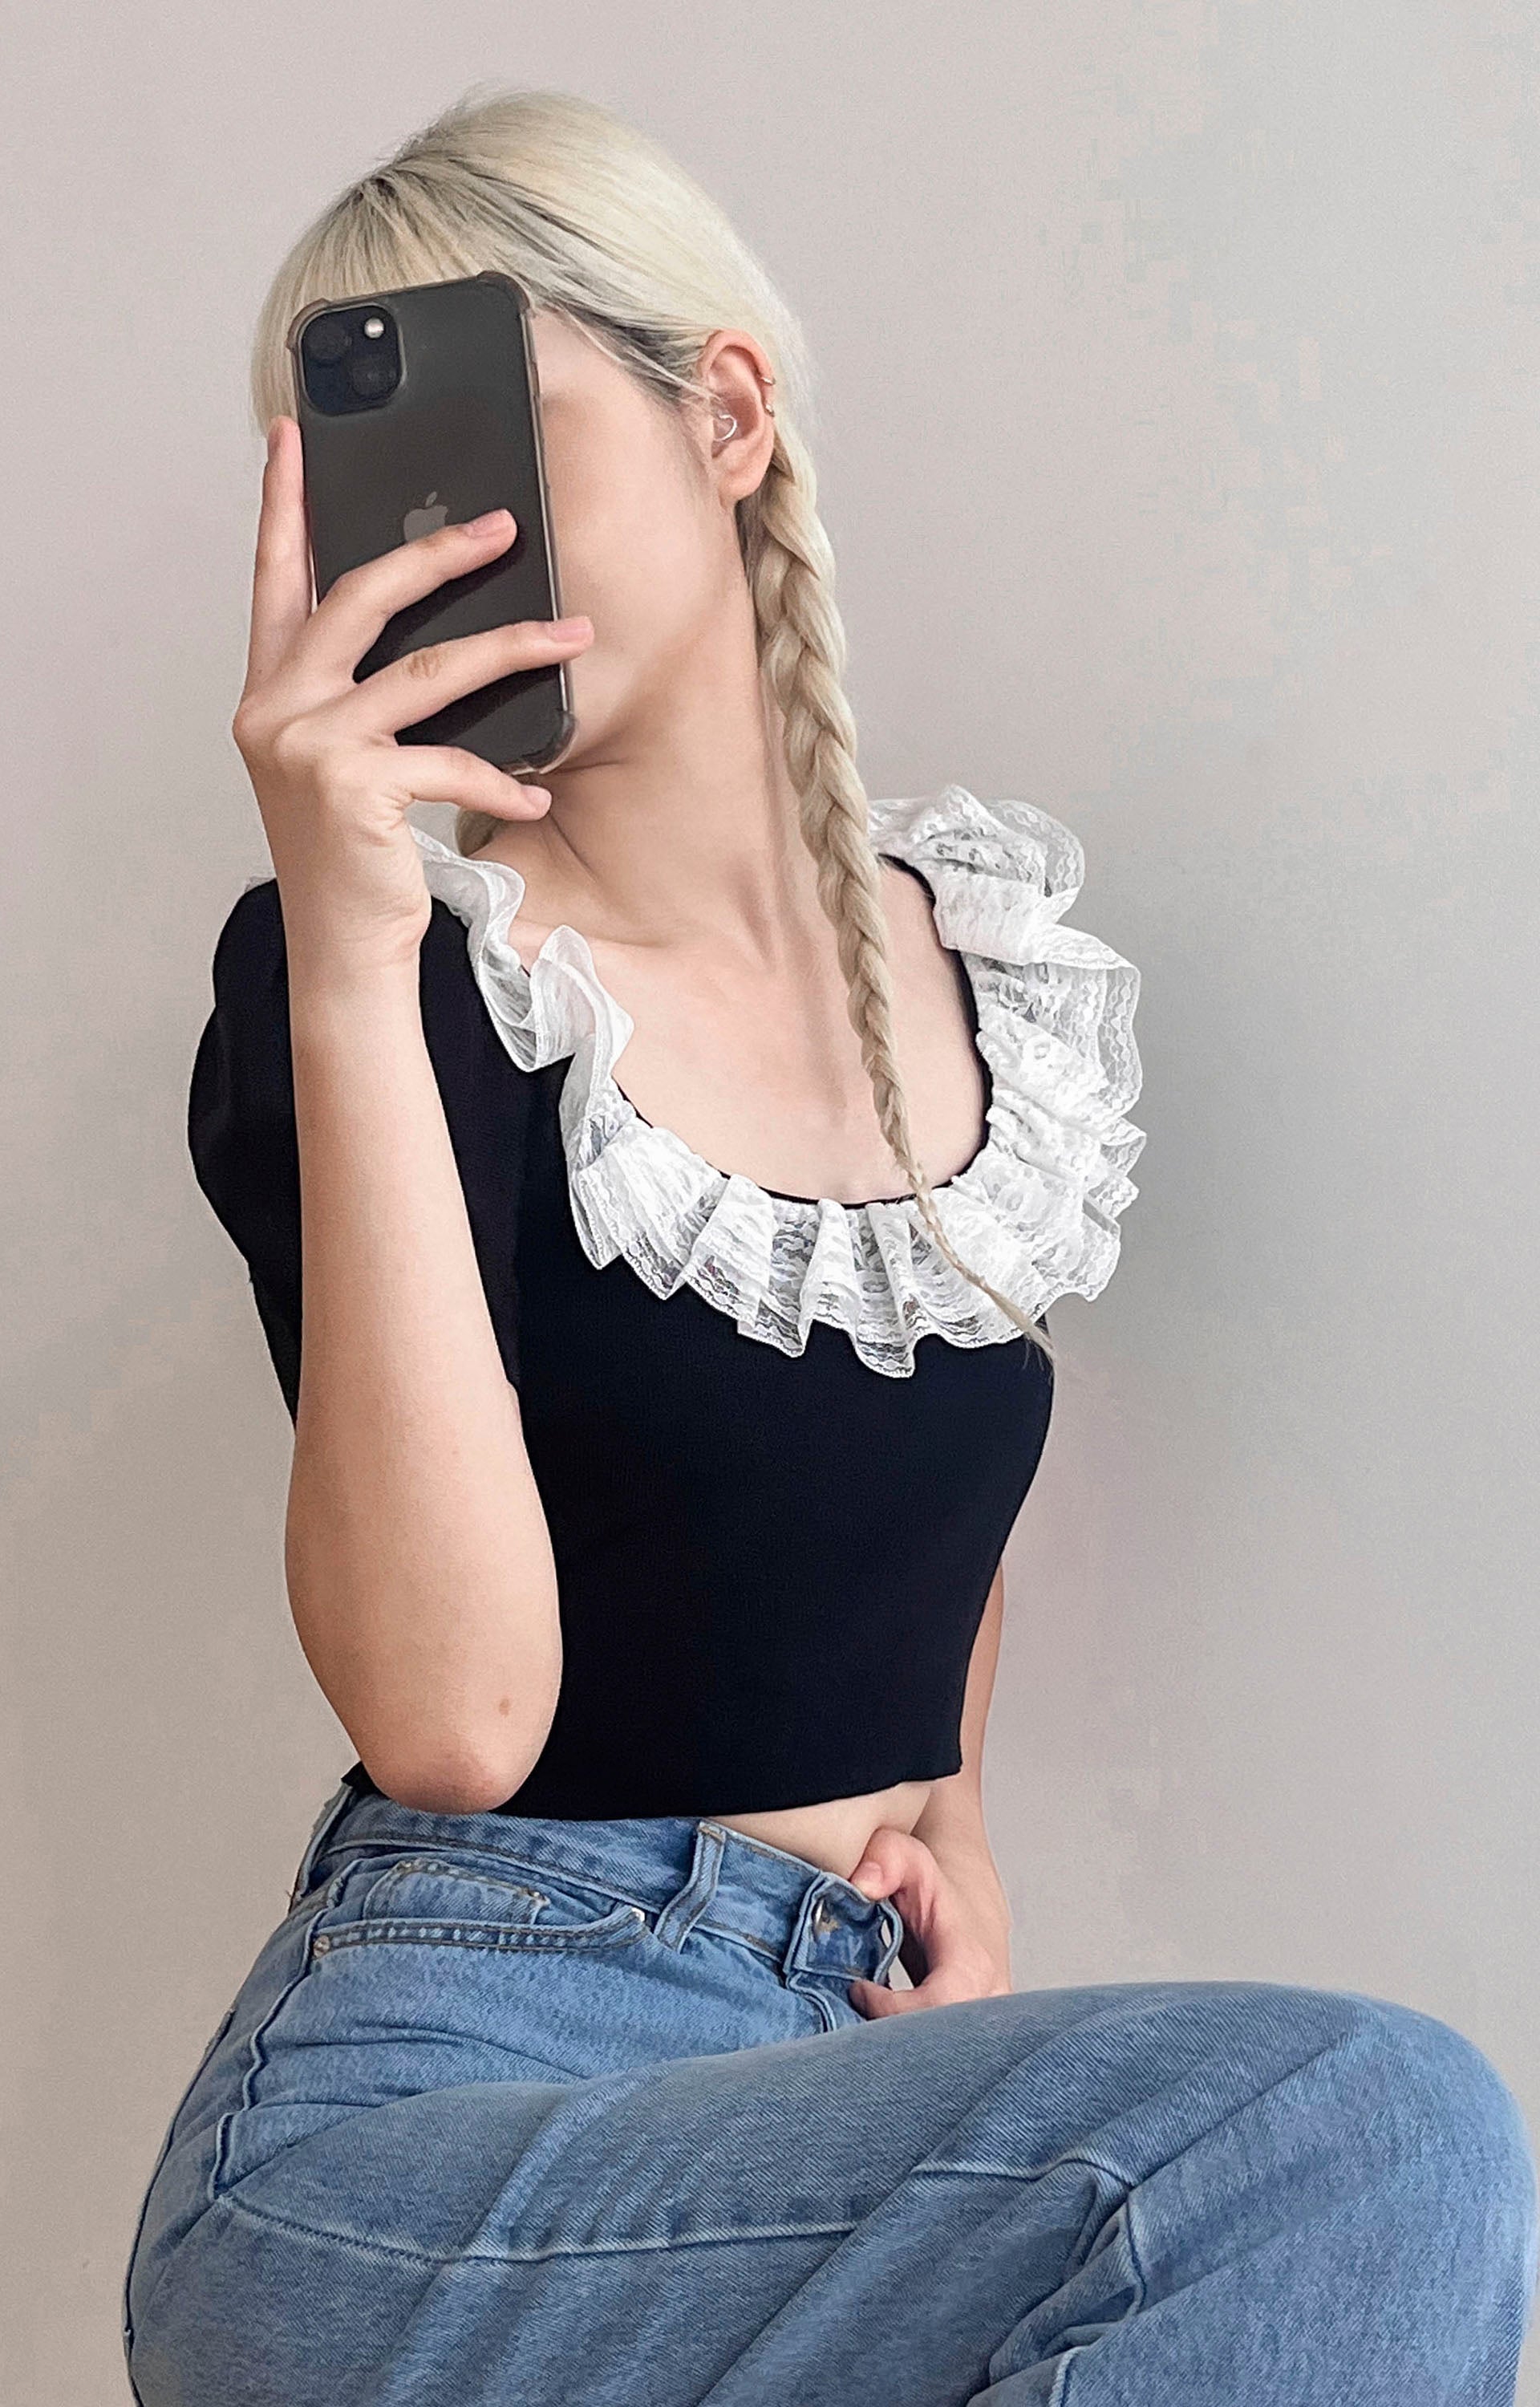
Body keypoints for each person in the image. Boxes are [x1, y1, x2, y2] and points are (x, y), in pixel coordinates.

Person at [122, 84, 1537, 2407]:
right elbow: (455, 1721)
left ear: (729, 418)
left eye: (495, 442)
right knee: (1373, 2132)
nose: (440, 542)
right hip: (426, 2123)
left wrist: (951, 1837)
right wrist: (350, 949)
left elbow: (917, 1477)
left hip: (810, 2089)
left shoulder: (974, 973)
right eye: (370, 479)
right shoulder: (385, 984)